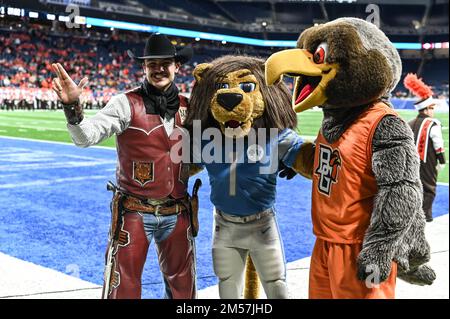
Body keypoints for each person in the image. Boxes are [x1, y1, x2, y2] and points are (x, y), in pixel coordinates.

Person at [51, 33, 196, 299]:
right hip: (134, 211)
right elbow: (85, 138)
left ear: (177, 66)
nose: (159, 69)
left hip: (178, 210)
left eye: (165, 63)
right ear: (144, 67)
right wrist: (72, 106)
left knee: (183, 288)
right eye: (152, 63)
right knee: (123, 287)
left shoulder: (189, 106)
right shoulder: (125, 103)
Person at [405, 73, 446, 222]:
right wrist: (442, 161)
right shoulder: (432, 123)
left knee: (413, 186)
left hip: (411, 161)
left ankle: (413, 214)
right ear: (427, 109)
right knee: (428, 189)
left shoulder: (409, 123)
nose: (433, 111)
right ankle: (426, 216)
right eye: (432, 108)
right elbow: (438, 145)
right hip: (427, 161)